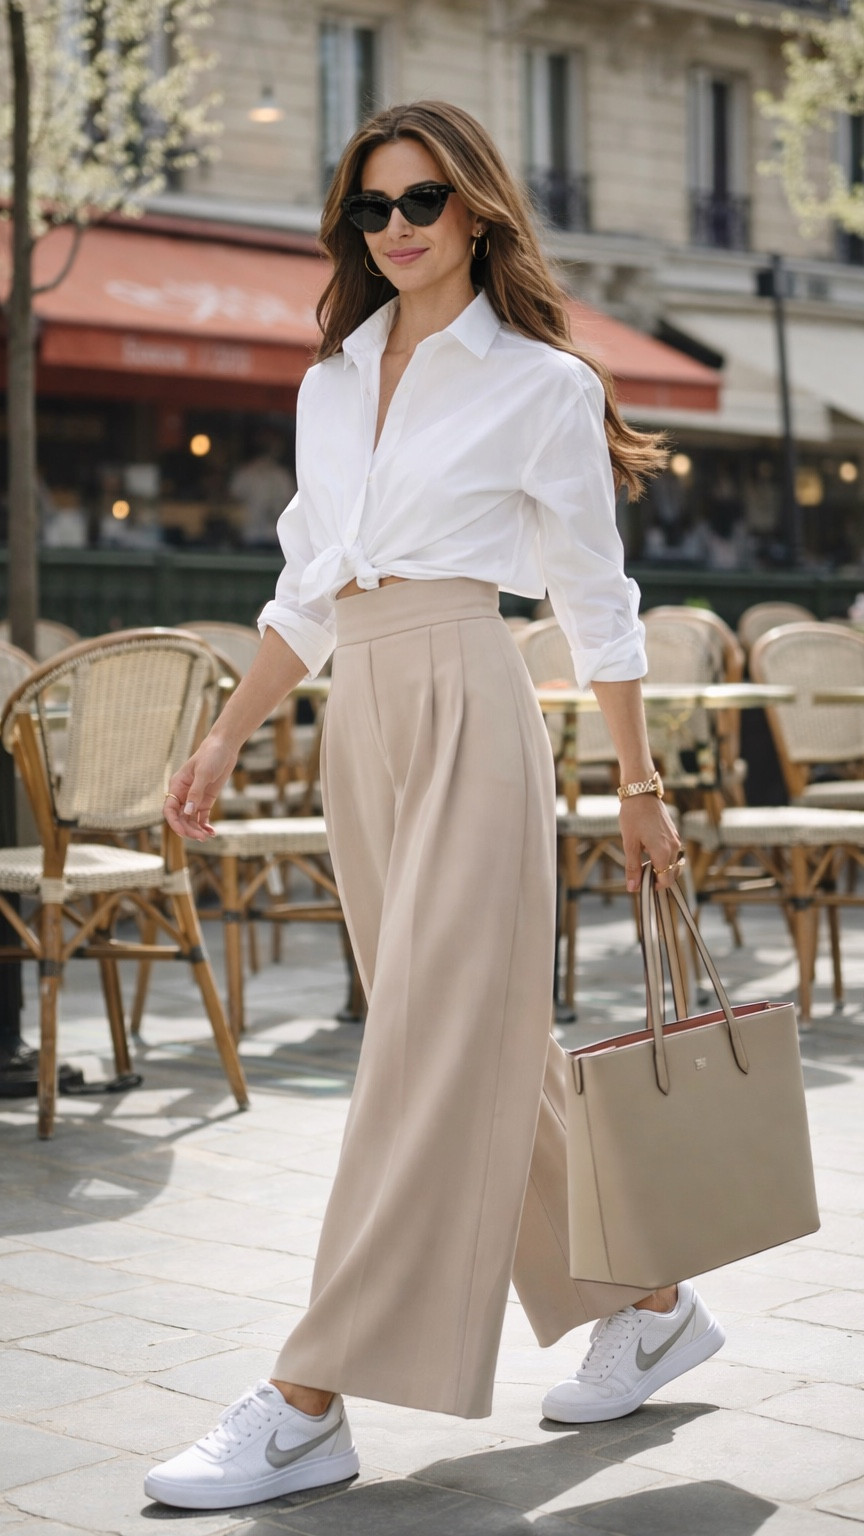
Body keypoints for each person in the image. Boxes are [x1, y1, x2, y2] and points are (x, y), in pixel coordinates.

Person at [148, 100, 725, 1512]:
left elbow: (596, 599)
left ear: (476, 209)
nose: (395, 229)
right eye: (371, 209)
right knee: (477, 1039)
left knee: (419, 1047)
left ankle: (310, 1395)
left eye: (420, 202)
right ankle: (648, 1304)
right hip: (365, 717)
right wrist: (226, 734)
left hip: (474, 696)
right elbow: (310, 588)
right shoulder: (333, 380)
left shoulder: (541, 382)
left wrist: (639, 783)